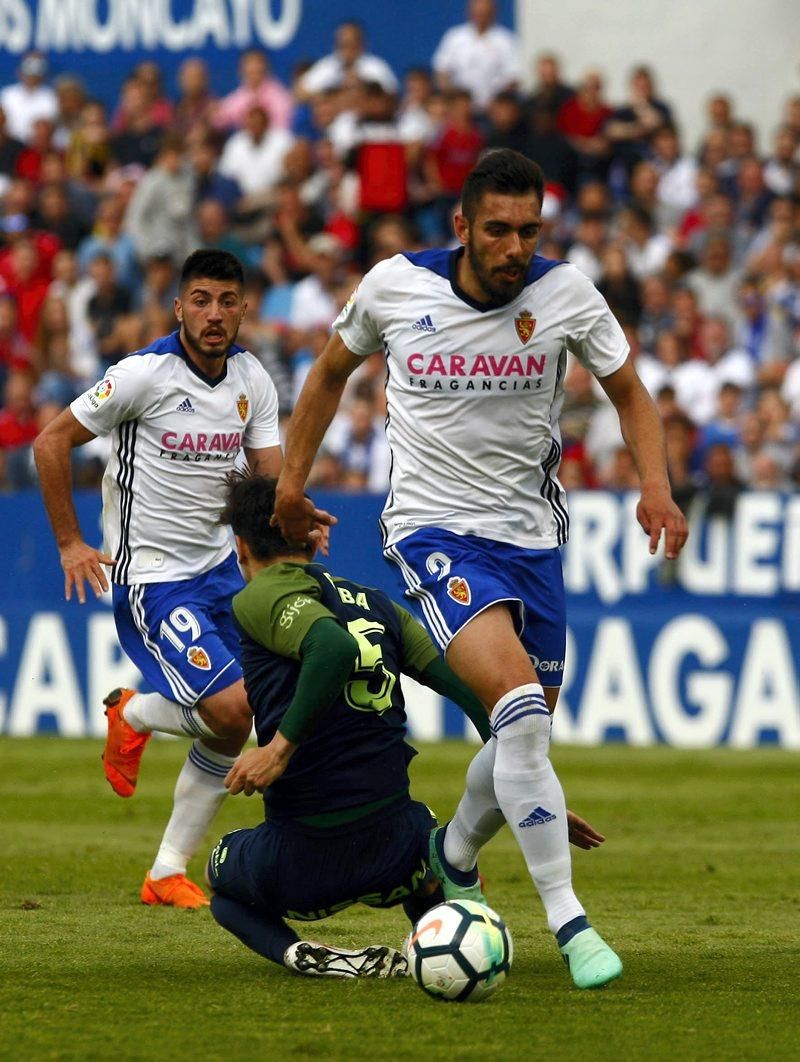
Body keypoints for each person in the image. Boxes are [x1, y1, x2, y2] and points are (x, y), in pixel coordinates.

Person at [274, 148, 688, 989]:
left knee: (519, 735)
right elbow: (326, 375)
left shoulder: (566, 293)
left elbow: (631, 392)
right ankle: (570, 926)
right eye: (497, 230)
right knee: (522, 711)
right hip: (432, 530)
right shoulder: (396, 286)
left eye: (528, 231)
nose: (514, 248)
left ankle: (450, 854)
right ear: (461, 226)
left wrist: (655, 484)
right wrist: (288, 485)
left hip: (533, 542)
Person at [208, 472, 604, 977]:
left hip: (304, 859)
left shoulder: (257, 596)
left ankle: (300, 954)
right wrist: (533, 791)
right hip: (400, 853)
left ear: (240, 545)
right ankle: (460, 942)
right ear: (313, 533)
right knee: (440, 851)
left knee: (219, 878)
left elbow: (331, 647)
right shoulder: (380, 604)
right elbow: (479, 698)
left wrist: (278, 749)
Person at [32, 249, 324, 909]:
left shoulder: (253, 377)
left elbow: (270, 480)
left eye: (226, 300)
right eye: (201, 299)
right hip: (154, 578)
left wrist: (297, 515)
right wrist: (70, 541)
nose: (214, 314)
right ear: (179, 307)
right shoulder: (143, 376)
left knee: (231, 724)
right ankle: (131, 712)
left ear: (244, 307)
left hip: (222, 569)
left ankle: (165, 871)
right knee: (233, 708)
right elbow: (49, 443)